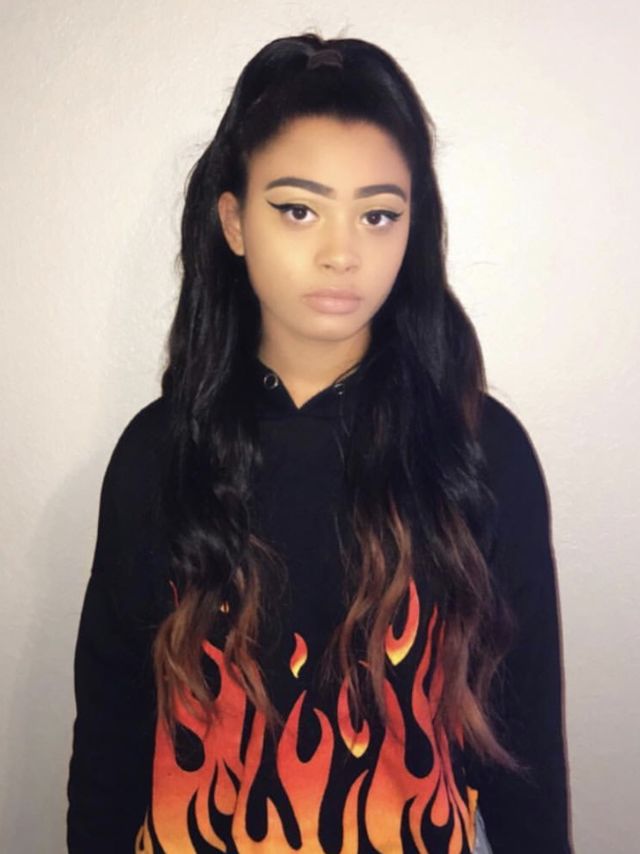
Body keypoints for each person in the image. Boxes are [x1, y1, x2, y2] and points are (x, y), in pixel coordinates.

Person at [67, 33, 572, 854]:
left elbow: (523, 750)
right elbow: (112, 735)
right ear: (234, 222)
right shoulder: (158, 455)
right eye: (298, 209)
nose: (342, 253)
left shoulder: (481, 453)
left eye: (378, 215)